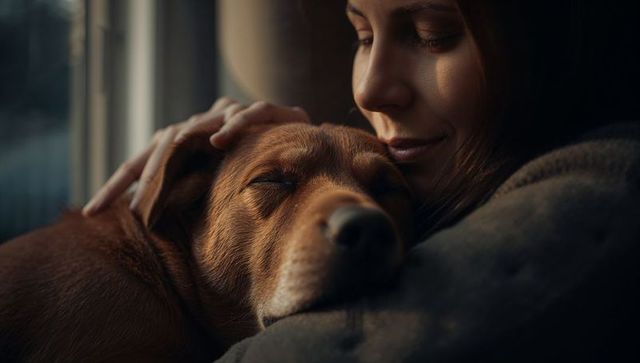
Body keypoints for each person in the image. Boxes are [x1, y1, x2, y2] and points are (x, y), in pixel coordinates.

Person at [83, 0, 640, 361]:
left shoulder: (600, 190)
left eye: (432, 34)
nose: (368, 92)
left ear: (552, 53)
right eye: (363, 35)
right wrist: (245, 159)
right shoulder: (433, 192)